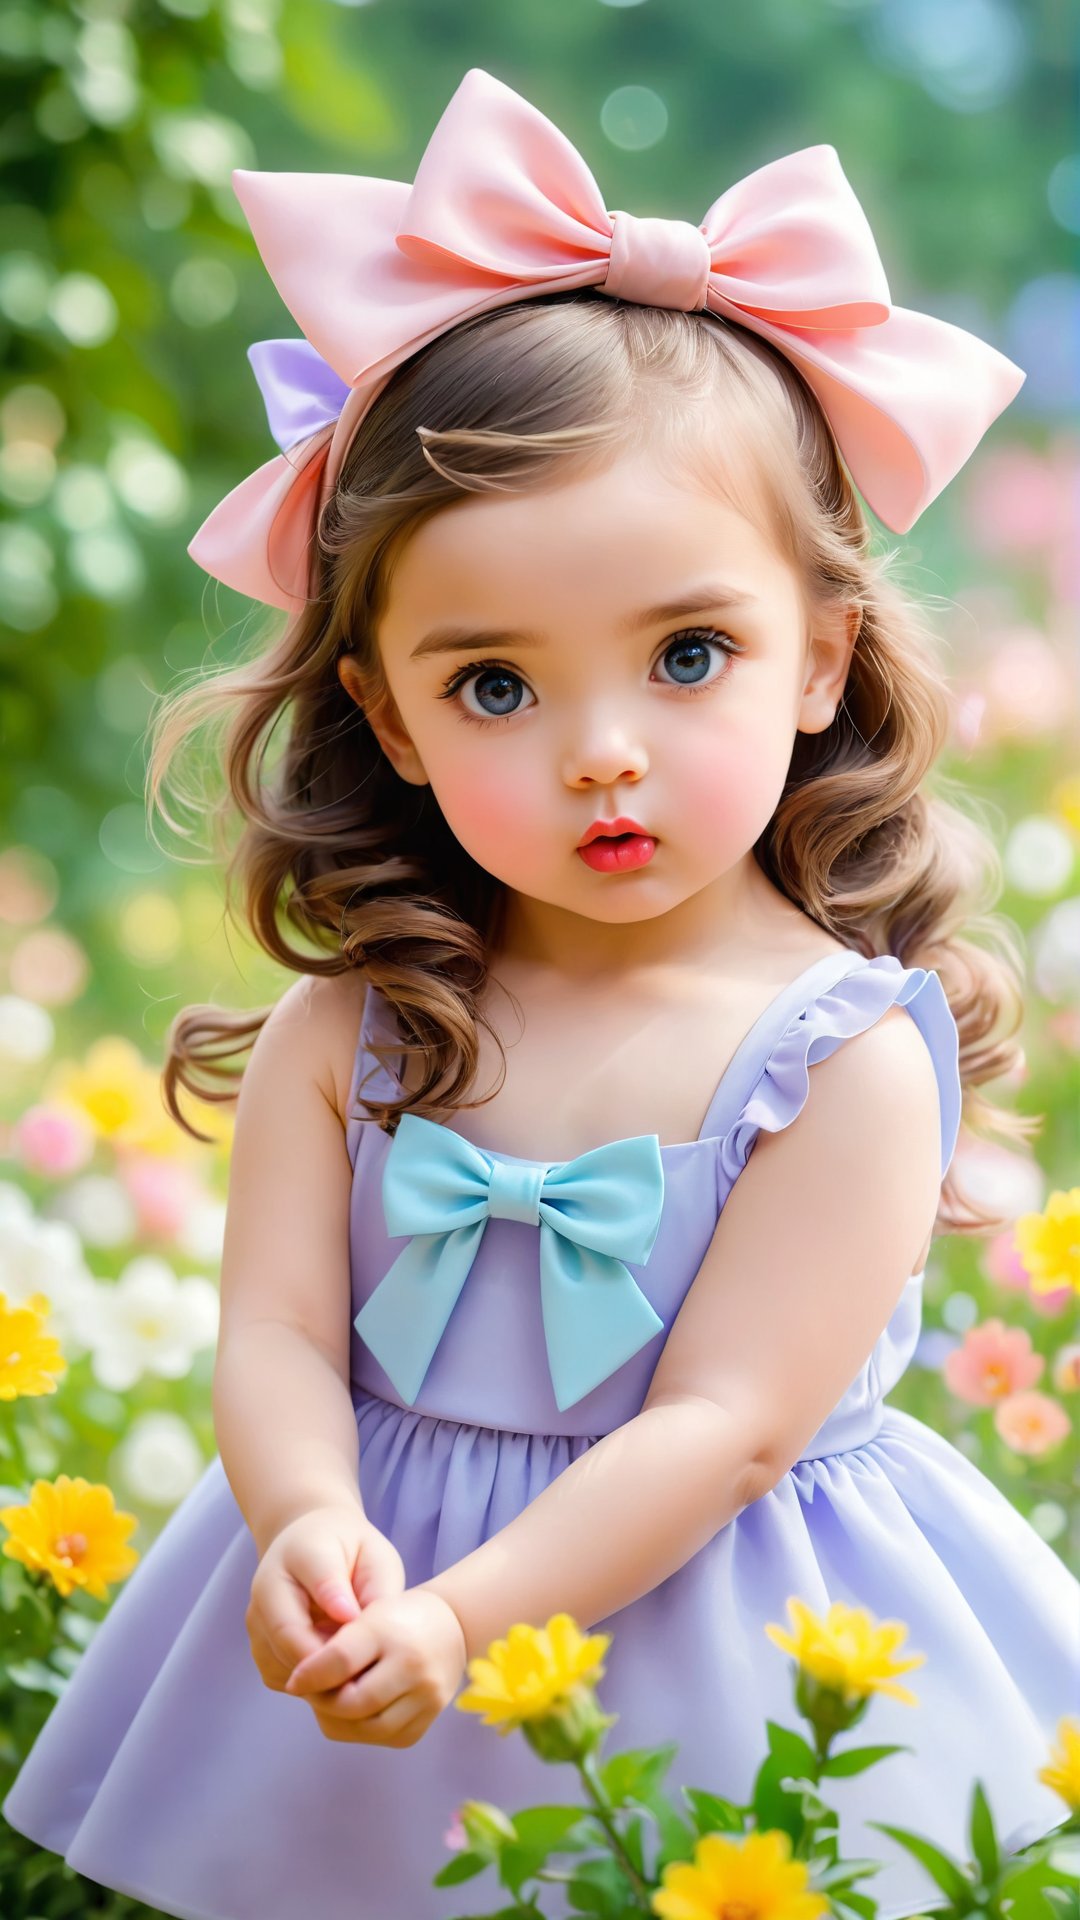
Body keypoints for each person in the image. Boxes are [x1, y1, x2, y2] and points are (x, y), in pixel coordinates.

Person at [3, 65, 1077, 1920]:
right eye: (496, 683)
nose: (603, 754)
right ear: (392, 718)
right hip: (364, 1632)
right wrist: (314, 1525)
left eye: (686, 655)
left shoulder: (837, 1060)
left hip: (715, 1638)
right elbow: (271, 1336)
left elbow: (724, 1426)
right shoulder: (357, 1031)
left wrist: (465, 1619)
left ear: (820, 657)